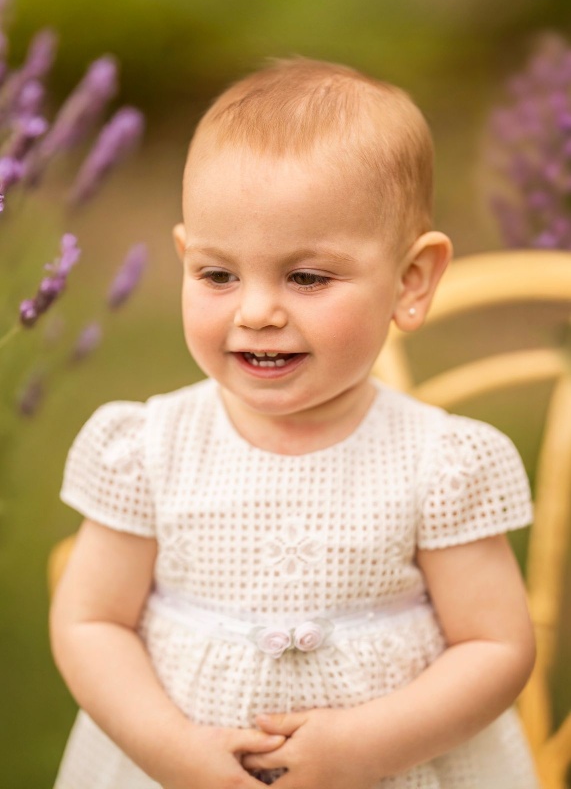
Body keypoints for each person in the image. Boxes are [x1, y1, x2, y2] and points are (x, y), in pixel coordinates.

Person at [50, 57, 540, 789]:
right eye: (218, 275)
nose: (254, 312)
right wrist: (168, 751)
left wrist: (369, 747)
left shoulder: (440, 463)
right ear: (186, 260)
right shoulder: (149, 449)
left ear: (410, 281)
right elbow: (90, 624)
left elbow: (495, 647)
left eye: (306, 277)